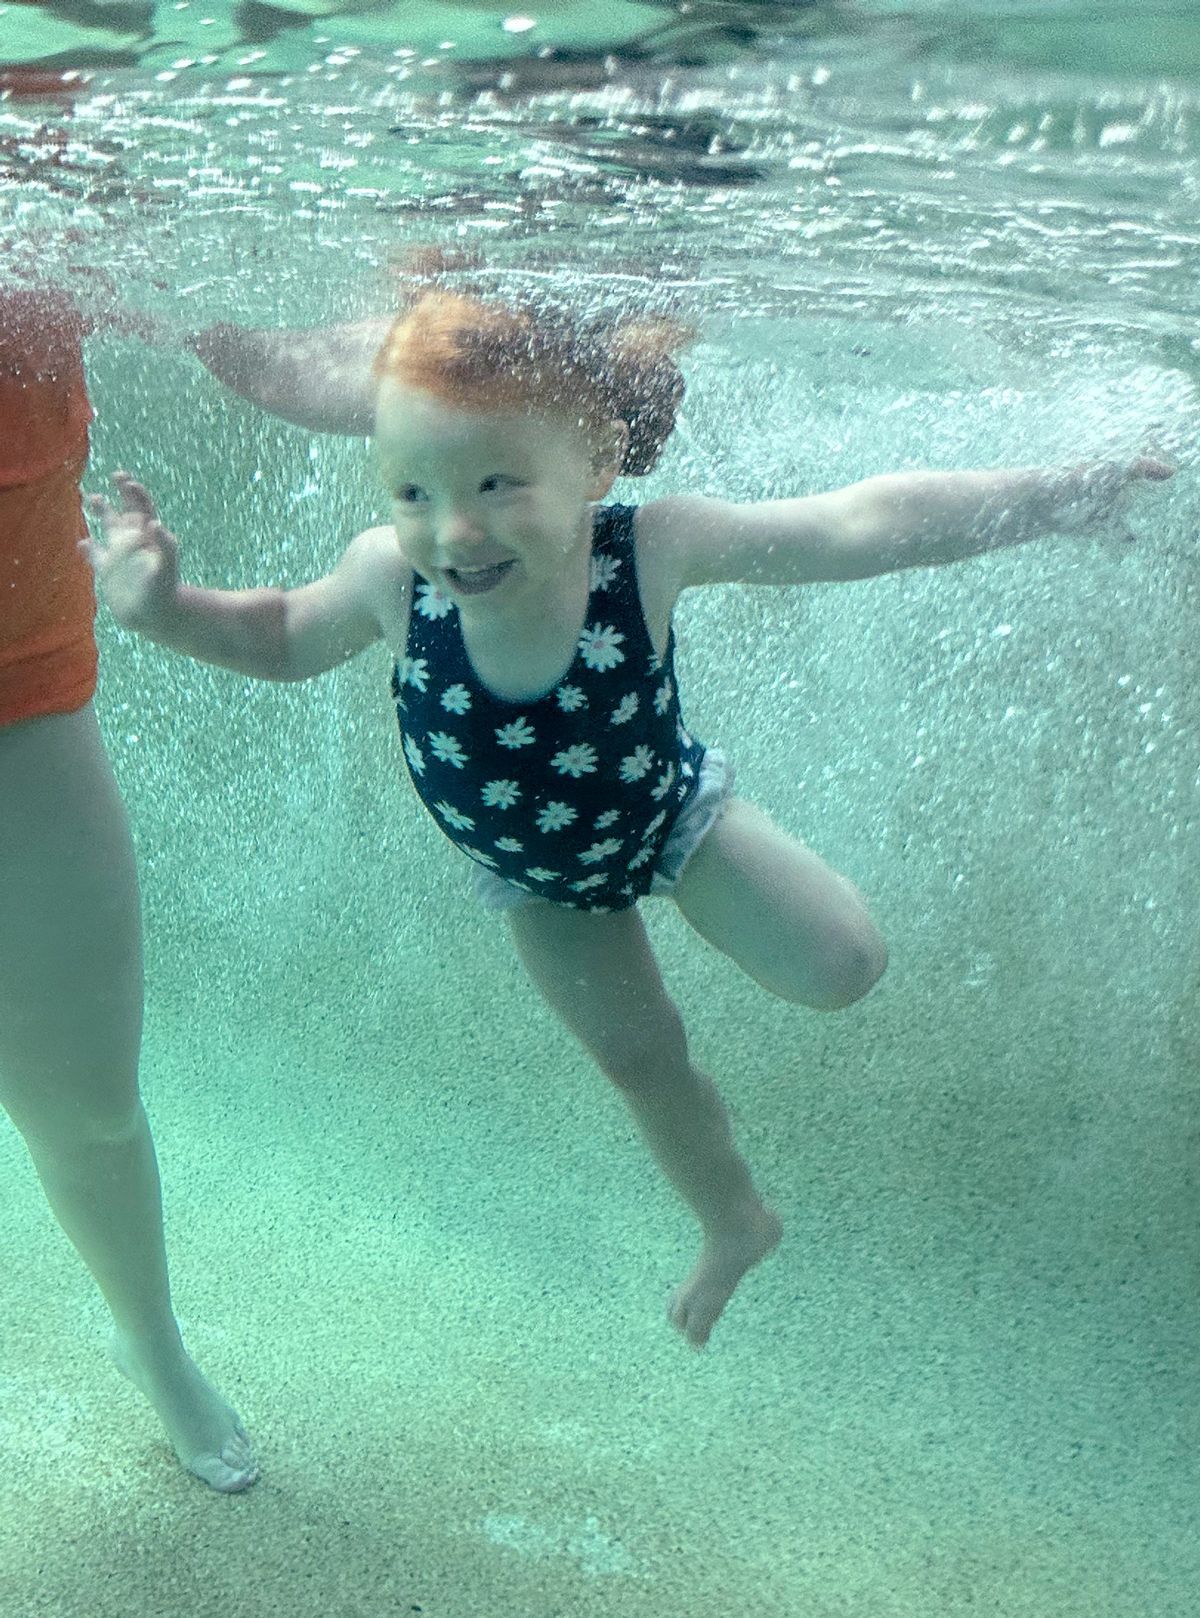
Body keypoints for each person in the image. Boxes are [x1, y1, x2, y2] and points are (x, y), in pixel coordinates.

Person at [89, 288, 1173, 1348]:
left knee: (844, 964)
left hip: (668, 817)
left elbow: (858, 524)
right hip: (542, 885)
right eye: (410, 490)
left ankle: (749, 1144)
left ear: (597, 461)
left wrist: (1054, 497)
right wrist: (164, 610)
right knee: (640, 1058)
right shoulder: (390, 578)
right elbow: (282, 636)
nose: (452, 528)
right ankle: (734, 1222)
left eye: (495, 481)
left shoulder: (646, 548)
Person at [0, 281, 258, 1491]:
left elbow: (250, 336)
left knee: (91, 1101)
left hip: (20, 698)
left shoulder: (50, 139)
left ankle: (149, 1339)